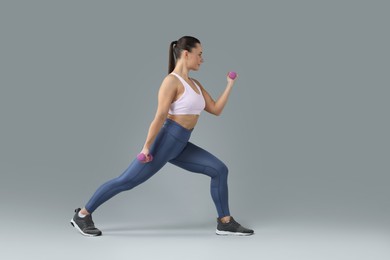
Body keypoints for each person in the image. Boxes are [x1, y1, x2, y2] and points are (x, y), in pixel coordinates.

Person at [70, 36, 254, 237]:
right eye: (199, 54)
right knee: (126, 181)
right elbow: (159, 117)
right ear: (186, 54)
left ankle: (225, 222)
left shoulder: (196, 84)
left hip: (181, 144)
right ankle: (82, 215)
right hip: (166, 141)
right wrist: (147, 147)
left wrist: (229, 85)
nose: (202, 59)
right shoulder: (171, 81)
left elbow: (216, 109)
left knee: (219, 170)